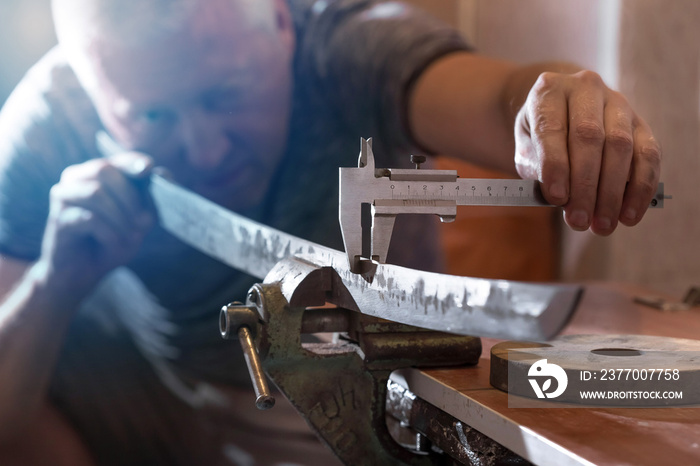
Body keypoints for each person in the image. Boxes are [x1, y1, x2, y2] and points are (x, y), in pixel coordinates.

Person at [0, 0, 661, 464]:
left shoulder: (350, 47)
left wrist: (554, 110)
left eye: (225, 93)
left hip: (371, 395)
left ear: (283, 24)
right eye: (149, 115)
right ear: (91, 88)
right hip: (156, 405)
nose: (204, 149)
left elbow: (501, 102)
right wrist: (57, 282)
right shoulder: (43, 123)